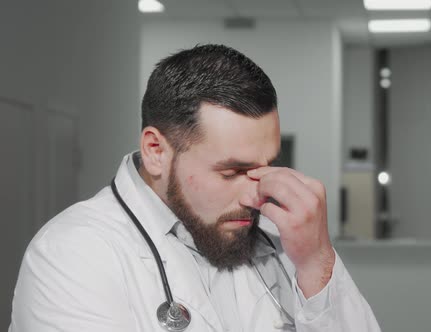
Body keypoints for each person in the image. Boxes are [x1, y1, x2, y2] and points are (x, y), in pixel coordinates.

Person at [9, 44, 381, 332]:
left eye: (266, 166)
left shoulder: (283, 239)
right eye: (232, 171)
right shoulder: (71, 254)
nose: (257, 195)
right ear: (156, 151)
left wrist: (317, 263)